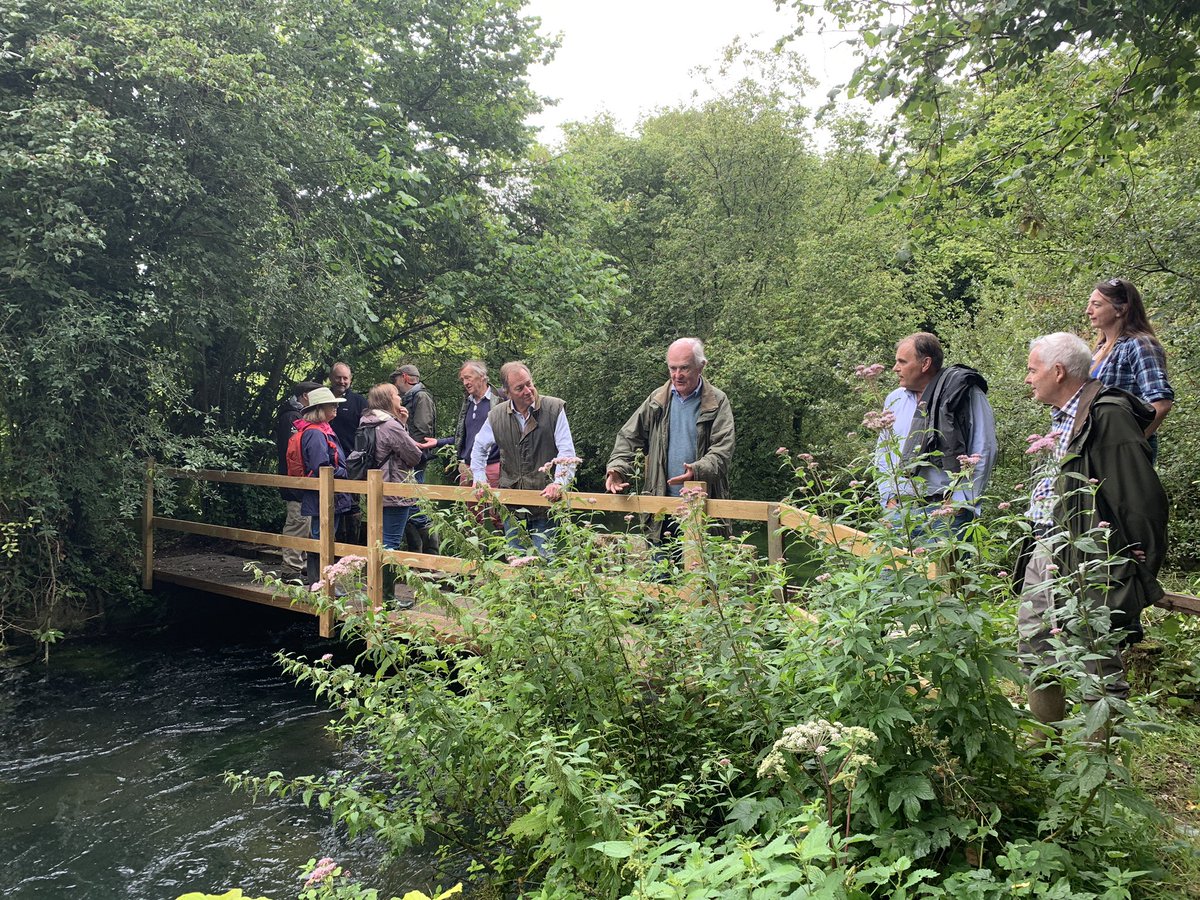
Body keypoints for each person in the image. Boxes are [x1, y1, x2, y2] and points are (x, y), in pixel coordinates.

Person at [1017, 332, 1168, 727]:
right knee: (1035, 641)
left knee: (1094, 653)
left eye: (1033, 370)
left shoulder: (1107, 414)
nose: (1027, 378)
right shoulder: (1066, 416)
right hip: (1048, 543)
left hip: (1089, 552)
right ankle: (1044, 744)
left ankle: (1100, 765)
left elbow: (1140, 496)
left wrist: (1138, 560)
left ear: (1058, 371)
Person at [604, 338, 735, 543]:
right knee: (660, 571)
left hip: (701, 507)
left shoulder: (717, 402)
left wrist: (697, 470)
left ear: (701, 366)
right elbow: (629, 437)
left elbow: (722, 452)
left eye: (684, 368)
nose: (677, 375)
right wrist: (618, 469)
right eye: (672, 368)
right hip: (661, 507)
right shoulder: (657, 400)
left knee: (700, 572)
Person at [874, 332, 997, 535]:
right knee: (895, 568)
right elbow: (883, 452)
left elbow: (984, 449)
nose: (895, 368)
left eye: (902, 362)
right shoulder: (894, 400)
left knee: (946, 569)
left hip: (946, 513)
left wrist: (960, 502)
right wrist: (888, 498)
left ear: (925, 364)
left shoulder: (966, 394)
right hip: (898, 512)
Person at [469, 361, 577, 554]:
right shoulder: (496, 415)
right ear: (507, 392)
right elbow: (478, 448)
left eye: (529, 384)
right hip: (511, 502)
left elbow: (567, 453)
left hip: (545, 502)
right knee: (516, 560)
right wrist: (479, 478)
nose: (528, 390)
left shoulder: (554, 408)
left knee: (546, 559)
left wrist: (559, 483)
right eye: (520, 388)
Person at [1087, 277, 1174, 461]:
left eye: (1097, 305)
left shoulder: (1140, 344)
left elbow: (1161, 403)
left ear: (1122, 309)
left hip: (1125, 449)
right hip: (1099, 445)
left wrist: (1133, 443)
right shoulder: (1100, 347)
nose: (1089, 311)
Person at [358, 383, 424, 606]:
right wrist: (402, 426)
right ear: (388, 400)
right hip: (394, 491)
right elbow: (414, 455)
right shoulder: (390, 426)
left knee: (378, 542)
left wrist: (402, 423)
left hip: (374, 491)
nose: (400, 398)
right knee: (390, 544)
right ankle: (385, 598)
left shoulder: (366, 422)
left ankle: (373, 593)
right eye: (397, 395)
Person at [295, 387, 356, 585]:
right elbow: (320, 466)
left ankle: (321, 582)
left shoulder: (323, 430)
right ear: (320, 409)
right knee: (321, 536)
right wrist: (344, 472)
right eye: (332, 405)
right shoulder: (315, 434)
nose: (336, 407)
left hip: (330, 494)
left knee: (324, 535)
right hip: (323, 495)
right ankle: (320, 583)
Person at [390, 363, 439, 553]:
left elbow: (422, 431)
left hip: (415, 461)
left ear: (404, 377)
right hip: (410, 460)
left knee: (415, 507)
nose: (396, 387)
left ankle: (431, 557)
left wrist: (408, 453)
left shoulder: (421, 397)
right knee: (409, 507)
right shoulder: (413, 397)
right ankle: (415, 557)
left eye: (396, 381)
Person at [275, 380, 322, 573]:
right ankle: (290, 568)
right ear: (305, 396)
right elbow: (293, 453)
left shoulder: (300, 416)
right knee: (297, 521)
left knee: (304, 522)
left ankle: (300, 563)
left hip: (301, 481)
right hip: (294, 481)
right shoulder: (291, 418)